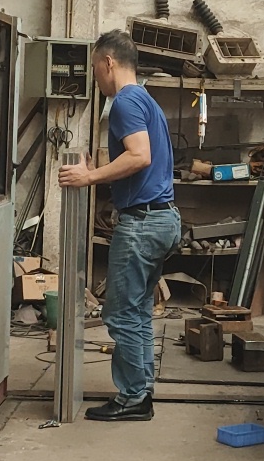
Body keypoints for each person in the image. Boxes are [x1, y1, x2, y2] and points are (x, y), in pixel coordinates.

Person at [58, 30, 180, 421]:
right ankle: (140, 394)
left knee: (121, 315)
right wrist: (103, 170)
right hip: (161, 218)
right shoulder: (145, 99)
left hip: (143, 224)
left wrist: (88, 178)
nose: (95, 76)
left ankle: (131, 398)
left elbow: (140, 156)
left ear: (108, 62)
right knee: (138, 311)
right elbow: (141, 161)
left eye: (95, 67)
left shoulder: (124, 101)